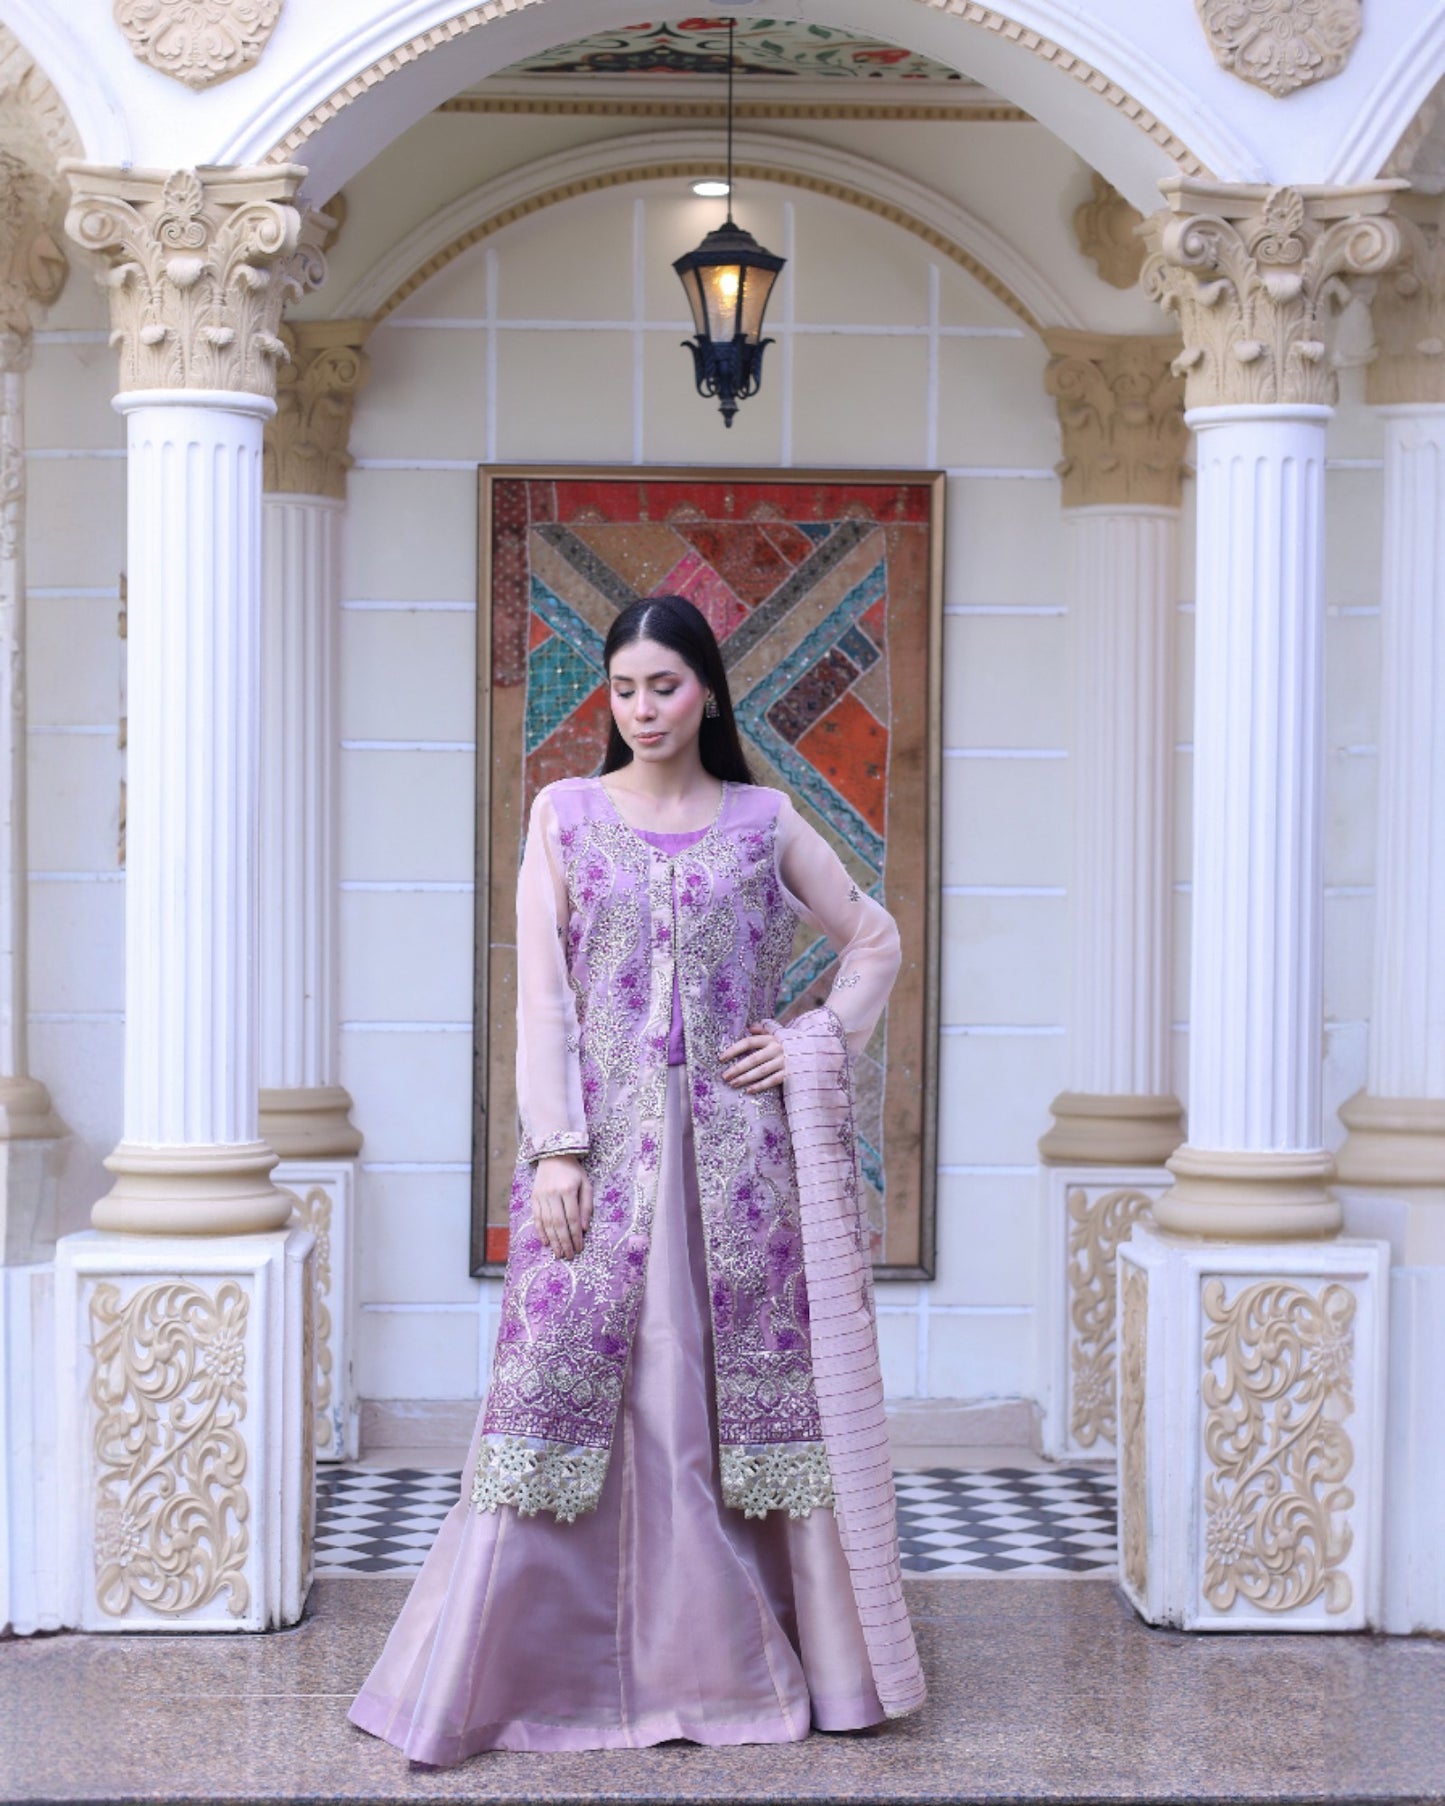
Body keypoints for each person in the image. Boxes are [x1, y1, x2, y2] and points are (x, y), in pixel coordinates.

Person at [348, 595, 925, 1763]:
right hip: (601, 1164)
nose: (642, 708)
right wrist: (554, 1147)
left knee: (735, 1412)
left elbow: (875, 940)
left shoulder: (763, 820)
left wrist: (811, 1038)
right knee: (552, 1397)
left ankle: (730, 1674)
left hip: (739, 1175)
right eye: (623, 689)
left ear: (706, 688)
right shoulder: (562, 816)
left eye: (663, 685)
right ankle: (515, 1673)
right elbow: (543, 999)